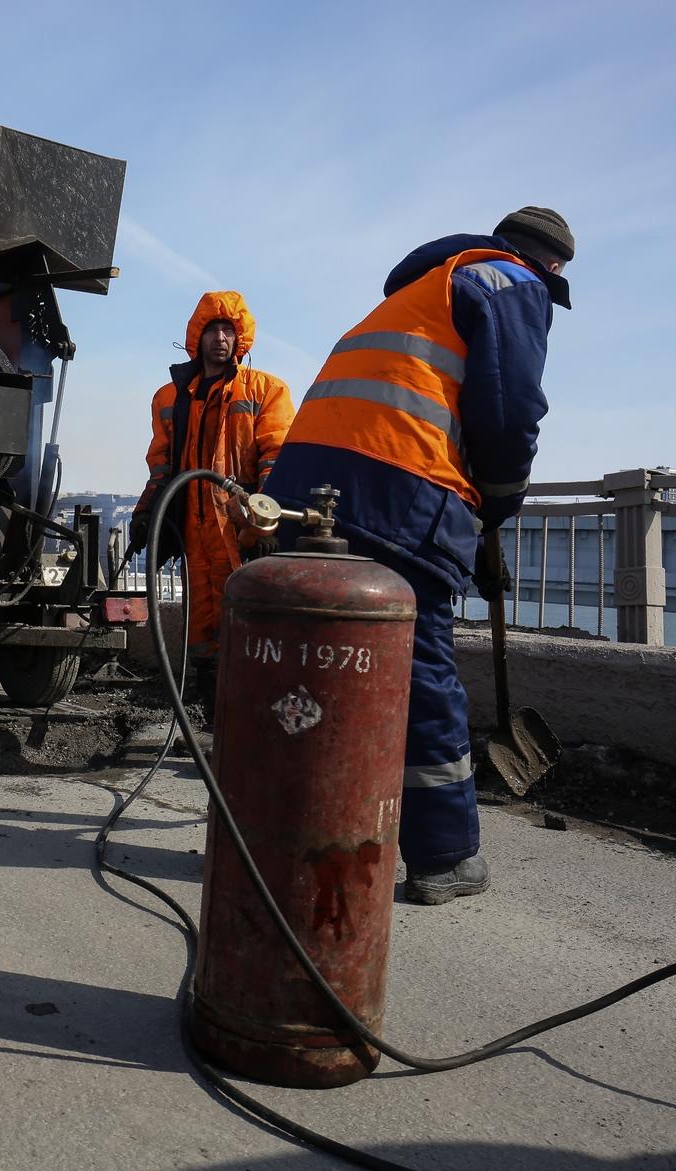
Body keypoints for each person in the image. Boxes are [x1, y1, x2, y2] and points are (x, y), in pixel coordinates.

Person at [264, 206, 574, 905]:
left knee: (314, 656)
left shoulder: (424, 289)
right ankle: (445, 856)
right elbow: (509, 411)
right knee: (419, 660)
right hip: (394, 487)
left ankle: (282, 831)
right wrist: (496, 505)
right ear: (550, 266)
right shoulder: (513, 282)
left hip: (304, 487)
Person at [126, 291, 294, 713]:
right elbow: (161, 464)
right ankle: (209, 710)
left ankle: (248, 712)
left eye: (229, 329)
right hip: (194, 530)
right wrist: (148, 510)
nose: (221, 337)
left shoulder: (266, 390)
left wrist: (264, 525)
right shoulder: (170, 397)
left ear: (241, 338)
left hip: (240, 528)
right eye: (212, 329)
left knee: (249, 616)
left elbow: (276, 458)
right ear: (196, 337)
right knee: (201, 618)